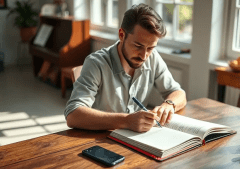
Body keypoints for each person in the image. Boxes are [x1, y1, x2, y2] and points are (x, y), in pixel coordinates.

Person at [64, 3, 187, 133]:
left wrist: (169, 104)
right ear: (122, 35)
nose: (144, 55)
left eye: (150, 48)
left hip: (135, 139)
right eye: (138, 46)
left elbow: (179, 93)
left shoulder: (153, 57)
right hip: (99, 140)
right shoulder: (96, 63)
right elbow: (73, 115)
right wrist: (126, 121)